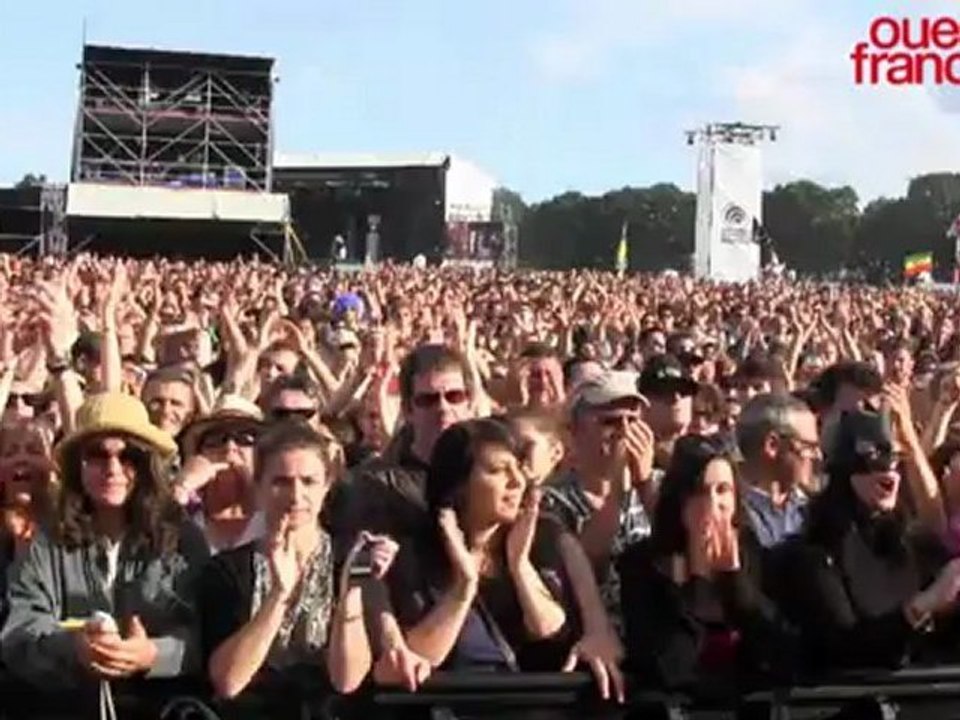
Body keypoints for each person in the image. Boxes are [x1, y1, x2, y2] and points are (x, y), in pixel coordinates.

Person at [1, 392, 209, 689]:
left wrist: (152, 655)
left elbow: (207, 636)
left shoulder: (183, 537)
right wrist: (74, 647)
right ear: (77, 467)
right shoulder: (48, 538)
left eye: (128, 457)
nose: (113, 469)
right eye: (97, 455)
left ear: (147, 465)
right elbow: (19, 633)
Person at [198, 421, 397, 700]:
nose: (296, 496)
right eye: (281, 481)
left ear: (327, 485)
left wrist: (350, 593)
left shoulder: (349, 559)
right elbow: (228, 682)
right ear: (259, 486)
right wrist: (278, 596)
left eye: (308, 481)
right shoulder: (227, 569)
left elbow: (348, 680)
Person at [389, 418, 576, 671]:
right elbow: (420, 656)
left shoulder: (539, 537)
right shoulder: (417, 555)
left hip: (535, 703)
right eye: (498, 470)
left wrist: (519, 565)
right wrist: (464, 585)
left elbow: (549, 629)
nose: (517, 481)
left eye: (518, 467)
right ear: (459, 485)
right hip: (459, 705)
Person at [780, 410, 960, 673]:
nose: (890, 473)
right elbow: (842, 649)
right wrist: (920, 607)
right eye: (875, 460)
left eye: (895, 460)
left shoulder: (915, 545)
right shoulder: (813, 554)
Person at [619, 434, 794, 690]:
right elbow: (670, 670)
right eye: (700, 492)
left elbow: (780, 655)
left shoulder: (753, 554)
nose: (713, 504)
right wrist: (697, 583)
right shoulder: (642, 564)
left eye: (723, 490)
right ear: (679, 500)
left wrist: (735, 583)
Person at [173, 395, 266, 553]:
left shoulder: (278, 520)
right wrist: (183, 486)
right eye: (216, 439)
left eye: (244, 439)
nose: (229, 448)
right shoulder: (180, 521)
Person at [735, 394, 820, 547]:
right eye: (808, 447)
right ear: (772, 445)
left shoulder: (813, 510)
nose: (817, 456)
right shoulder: (728, 510)